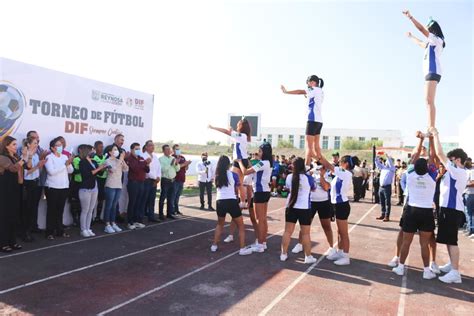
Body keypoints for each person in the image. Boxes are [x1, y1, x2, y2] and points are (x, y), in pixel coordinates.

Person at [429, 127, 468, 284]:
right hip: (447, 209)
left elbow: (439, 154)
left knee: (452, 241)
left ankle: (455, 272)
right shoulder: (453, 171)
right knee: (447, 239)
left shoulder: (458, 171)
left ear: (457, 160)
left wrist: (436, 134)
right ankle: (452, 265)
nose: (448, 162)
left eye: (451, 160)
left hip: (452, 210)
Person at [391, 157, 438, 280]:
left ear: (414, 167)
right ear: (427, 168)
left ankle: (400, 267)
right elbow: (434, 161)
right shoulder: (432, 176)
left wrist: (421, 139)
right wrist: (432, 140)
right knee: (424, 244)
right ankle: (426, 270)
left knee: (406, 242)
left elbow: (413, 158)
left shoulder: (410, 174)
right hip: (426, 212)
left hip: (411, 211)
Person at [403, 10, 445, 130]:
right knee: (427, 100)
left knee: (429, 100)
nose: (427, 31)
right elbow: (420, 43)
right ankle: (430, 126)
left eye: (428, 29)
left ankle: (431, 127)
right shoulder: (430, 43)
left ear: (432, 29)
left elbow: (421, 29)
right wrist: (411, 37)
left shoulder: (437, 40)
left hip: (433, 70)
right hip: (429, 72)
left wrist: (410, 17)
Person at [319, 154, 360, 266]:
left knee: (344, 233)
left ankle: (346, 256)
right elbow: (329, 187)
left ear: (345, 164)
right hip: (337, 205)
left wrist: (318, 156)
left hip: (342, 205)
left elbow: (328, 165)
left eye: (341, 162)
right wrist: (322, 175)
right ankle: (340, 251)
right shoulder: (340, 174)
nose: (339, 164)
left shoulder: (345, 173)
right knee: (339, 231)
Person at [210, 155, 253, 256]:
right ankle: (242, 248)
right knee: (241, 226)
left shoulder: (216, 175)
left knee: (220, 224)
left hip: (220, 201)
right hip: (231, 201)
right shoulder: (233, 174)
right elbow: (239, 188)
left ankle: (214, 245)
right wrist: (243, 201)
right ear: (228, 164)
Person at [292, 163, 336, 257]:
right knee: (305, 225)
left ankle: (331, 247)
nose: (319, 168)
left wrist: (321, 176)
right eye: (317, 166)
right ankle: (300, 244)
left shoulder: (328, 174)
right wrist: (311, 174)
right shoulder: (309, 174)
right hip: (311, 202)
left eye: (321, 166)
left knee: (326, 226)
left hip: (324, 202)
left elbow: (326, 187)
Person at [281, 75, 325, 167]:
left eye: (308, 83)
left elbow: (300, 92)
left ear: (313, 82)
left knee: (308, 147)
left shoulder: (313, 89)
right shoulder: (320, 91)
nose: (307, 85)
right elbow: (307, 95)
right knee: (316, 147)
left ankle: (319, 163)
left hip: (312, 120)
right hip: (319, 121)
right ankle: (312, 165)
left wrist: (286, 92)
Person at [281, 157, 317, 263]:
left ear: (293, 166)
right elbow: (313, 188)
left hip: (291, 206)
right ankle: (308, 256)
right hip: (304, 208)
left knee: (287, 231)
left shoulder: (289, 177)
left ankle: (283, 254)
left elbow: (288, 188)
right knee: (305, 234)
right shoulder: (308, 178)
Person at [208, 119, 251, 208]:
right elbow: (228, 132)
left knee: (238, 183)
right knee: (238, 182)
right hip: (240, 160)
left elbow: (227, 131)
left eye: (238, 124)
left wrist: (213, 127)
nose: (237, 126)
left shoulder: (242, 136)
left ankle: (242, 202)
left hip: (240, 160)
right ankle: (239, 200)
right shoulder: (242, 136)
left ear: (241, 126)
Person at [238, 142, 273, 253]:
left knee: (260, 220)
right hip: (264, 191)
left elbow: (245, 171)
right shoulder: (267, 163)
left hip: (260, 192)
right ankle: (263, 242)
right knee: (263, 219)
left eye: (260, 151)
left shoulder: (263, 163)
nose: (258, 153)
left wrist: (239, 162)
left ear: (265, 152)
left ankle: (260, 244)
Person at [0, 136, 27, 252]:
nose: (16, 147)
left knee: (14, 215)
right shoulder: (2, 157)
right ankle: (3, 243)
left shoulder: (16, 157)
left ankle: (12, 241)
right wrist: (24, 159)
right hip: (5, 190)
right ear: (7, 146)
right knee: (4, 216)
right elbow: (12, 169)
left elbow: (26, 167)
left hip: (15, 188)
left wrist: (27, 156)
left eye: (16, 144)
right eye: (14, 144)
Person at [44, 137, 73, 240]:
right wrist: (64, 165)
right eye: (57, 145)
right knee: (51, 210)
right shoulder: (49, 157)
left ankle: (60, 231)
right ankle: (49, 232)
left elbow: (70, 171)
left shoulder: (65, 156)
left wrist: (68, 163)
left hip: (64, 187)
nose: (60, 147)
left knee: (60, 210)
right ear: (52, 148)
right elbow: (51, 172)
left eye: (61, 145)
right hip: (52, 187)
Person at [78, 145, 107, 238]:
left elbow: (99, 173)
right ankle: (83, 229)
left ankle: (88, 227)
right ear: (87, 151)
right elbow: (87, 174)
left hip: (94, 187)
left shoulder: (93, 161)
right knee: (85, 210)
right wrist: (99, 168)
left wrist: (103, 167)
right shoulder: (82, 162)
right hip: (85, 189)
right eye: (92, 150)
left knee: (91, 210)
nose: (93, 151)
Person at [21, 137, 46, 242]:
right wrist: (38, 166)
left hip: (35, 183)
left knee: (32, 208)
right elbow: (26, 172)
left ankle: (30, 230)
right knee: (27, 209)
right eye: (35, 143)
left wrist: (39, 165)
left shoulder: (36, 155)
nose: (37, 145)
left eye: (37, 143)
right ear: (28, 144)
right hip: (28, 184)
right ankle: (25, 233)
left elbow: (36, 171)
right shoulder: (25, 155)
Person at [103, 145, 128, 233]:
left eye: (117, 149)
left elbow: (126, 169)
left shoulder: (119, 160)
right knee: (109, 206)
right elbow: (112, 170)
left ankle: (113, 223)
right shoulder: (107, 161)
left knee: (114, 206)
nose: (117, 151)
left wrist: (122, 159)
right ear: (110, 152)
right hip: (110, 185)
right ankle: (107, 224)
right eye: (115, 149)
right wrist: (120, 160)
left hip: (118, 186)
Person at [126, 143, 150, 229]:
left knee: (139, 202)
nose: (138, 150)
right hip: (133, 183)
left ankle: (137, 221)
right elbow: (135, 168)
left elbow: (147, 170)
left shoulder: (141, 158)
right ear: (132, 150)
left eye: (139, 148)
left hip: (141, 182)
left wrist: (147, 164)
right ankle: (130, 222)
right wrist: (144, 163)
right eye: (136, 149)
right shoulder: (130, 158)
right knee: (132, 202)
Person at [158, 144, 181, 220]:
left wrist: (176, 163)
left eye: (169, 149)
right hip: (165, 180)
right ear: (163, 151)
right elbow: (162, 170)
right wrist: (170, 164)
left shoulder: (173, 158)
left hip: (173, 180)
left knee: (170, 198)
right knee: (163, 197)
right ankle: (161, 214)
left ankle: (169, 213)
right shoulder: (161, 159)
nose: (168, 151)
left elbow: (177, 169)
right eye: (167, 149)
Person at [141, 140, 161, 222]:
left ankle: (151, 216)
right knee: (144, 199)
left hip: (154, 181)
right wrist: (154, 177)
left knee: (152, 200)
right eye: (150, 145)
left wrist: (158, 178)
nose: (153, 147)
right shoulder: (143, 156)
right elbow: (146, 170)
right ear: (146, 147)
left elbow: (159, 168)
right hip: (147, 180)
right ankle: (141, 217)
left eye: (153, 145)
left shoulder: (155, 156)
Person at [172, 144, 192, 216]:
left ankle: (176, 209)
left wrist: (187, 164)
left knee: (178, 195)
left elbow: (185, 169)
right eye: (176, 149)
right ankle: (172, 210)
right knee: (173, 195)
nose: (178, 150)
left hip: (182, 179)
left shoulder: (183, 157)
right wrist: (184, 164)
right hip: (175, 179)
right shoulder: (172, 157)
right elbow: (176, 167)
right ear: (173, 150)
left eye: (179, 149)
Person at [375, 153, 396, 222]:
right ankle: (383, 214)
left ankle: (387, 216)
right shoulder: (383, 168)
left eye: (387, 161)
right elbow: (377, 163)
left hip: (387, 187)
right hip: (381, 187)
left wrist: (387, 157)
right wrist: (377, 157)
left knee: (387, 202)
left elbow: (390, 163)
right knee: (382, 201)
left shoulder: (392, 169)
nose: (386, 162)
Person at [92, 141, 107, 223]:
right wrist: (102, 168)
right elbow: (95, 169)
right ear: (95, 148)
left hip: (104, 180)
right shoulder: (93, 157)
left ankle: (98, 217)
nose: (102, 148)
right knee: (93, 200)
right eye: (100, 147)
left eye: (102, 146)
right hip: (96, 180)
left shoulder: (105, 156)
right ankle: (91, 218)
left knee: (101, 199)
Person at [464, 159, 474, 238]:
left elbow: (473, 182)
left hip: (470, 194)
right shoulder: (466, 171)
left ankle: (471, 230)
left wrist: (464, 184)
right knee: (468, 213)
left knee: (469, 213)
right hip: (466, 193)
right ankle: (469, 229)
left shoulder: (472, 171)